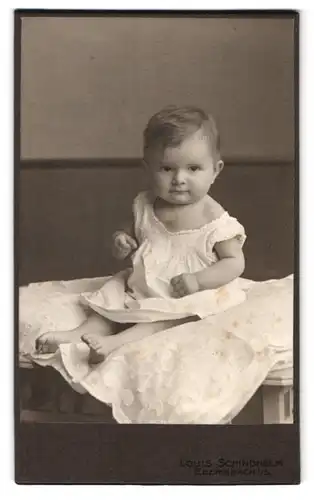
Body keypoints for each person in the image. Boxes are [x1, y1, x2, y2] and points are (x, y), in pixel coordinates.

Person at [36, 105, 247, 363]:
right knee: (110, 295)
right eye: (167, 169)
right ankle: (81, 333)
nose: (179, 178)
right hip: (143, 285)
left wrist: (198, 280)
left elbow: (235, 262)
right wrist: (122, 240)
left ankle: (114, 343)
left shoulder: (213, 218)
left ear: (215, 170)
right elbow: (134, 231)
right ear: (148, 168)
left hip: (186, 293)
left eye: (193, 169)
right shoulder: (145, 204)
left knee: (169, 318)